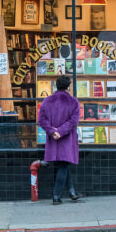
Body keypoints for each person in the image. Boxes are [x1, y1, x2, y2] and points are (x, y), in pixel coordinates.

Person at [37, 75, 82, 205]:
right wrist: (61, 132)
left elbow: (42, 120)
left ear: (56, 86)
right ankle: (56, 196)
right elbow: (73, 121)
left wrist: (52, 131)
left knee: (63, 164)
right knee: (63, 165)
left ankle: (72, 192)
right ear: (68, 87)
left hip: (53, 139)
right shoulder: (73, 102)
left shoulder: (47, 101)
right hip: (66, 139)